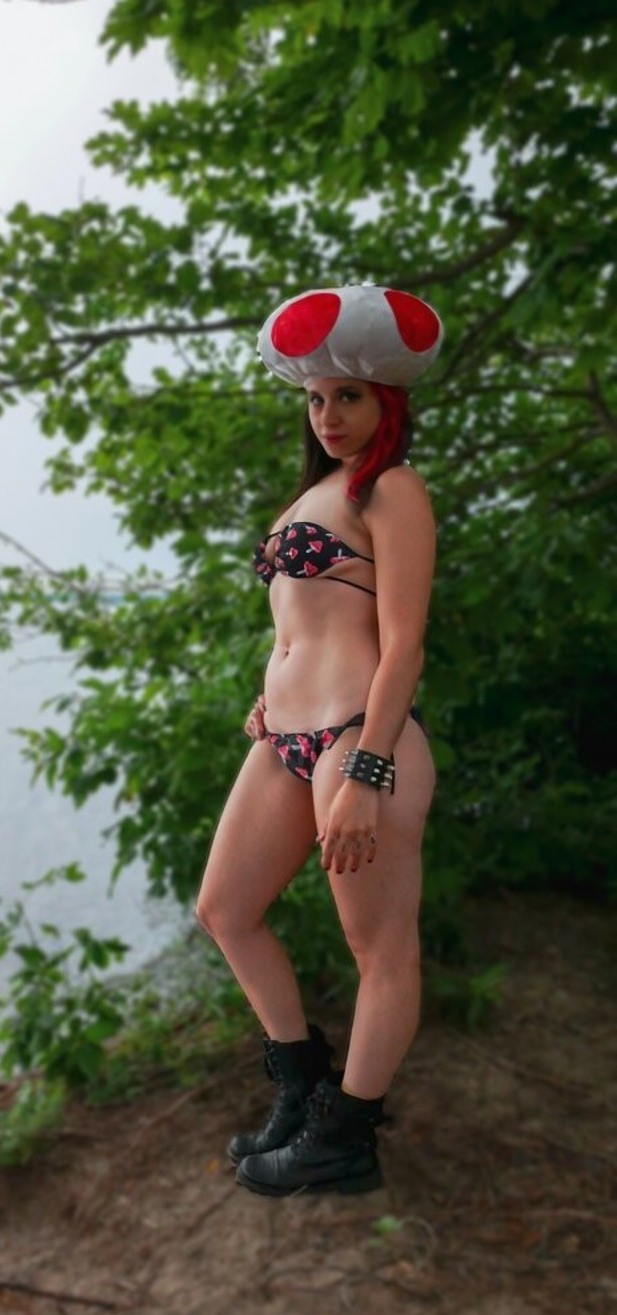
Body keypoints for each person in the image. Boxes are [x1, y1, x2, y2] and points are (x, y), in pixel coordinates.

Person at [195, 284, 444, 1197]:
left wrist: (367, 771)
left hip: (359, 739)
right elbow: (300, 624)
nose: (328, 414)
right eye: (315, 398)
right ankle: (302, 1086)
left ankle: (344, 1138)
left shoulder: (393, 490)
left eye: (349, 396)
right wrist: (270, 695)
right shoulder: (316, 493)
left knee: (380, 949)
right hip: (287, 738)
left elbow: (403, 643)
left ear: (388, 401)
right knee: (225, 909)